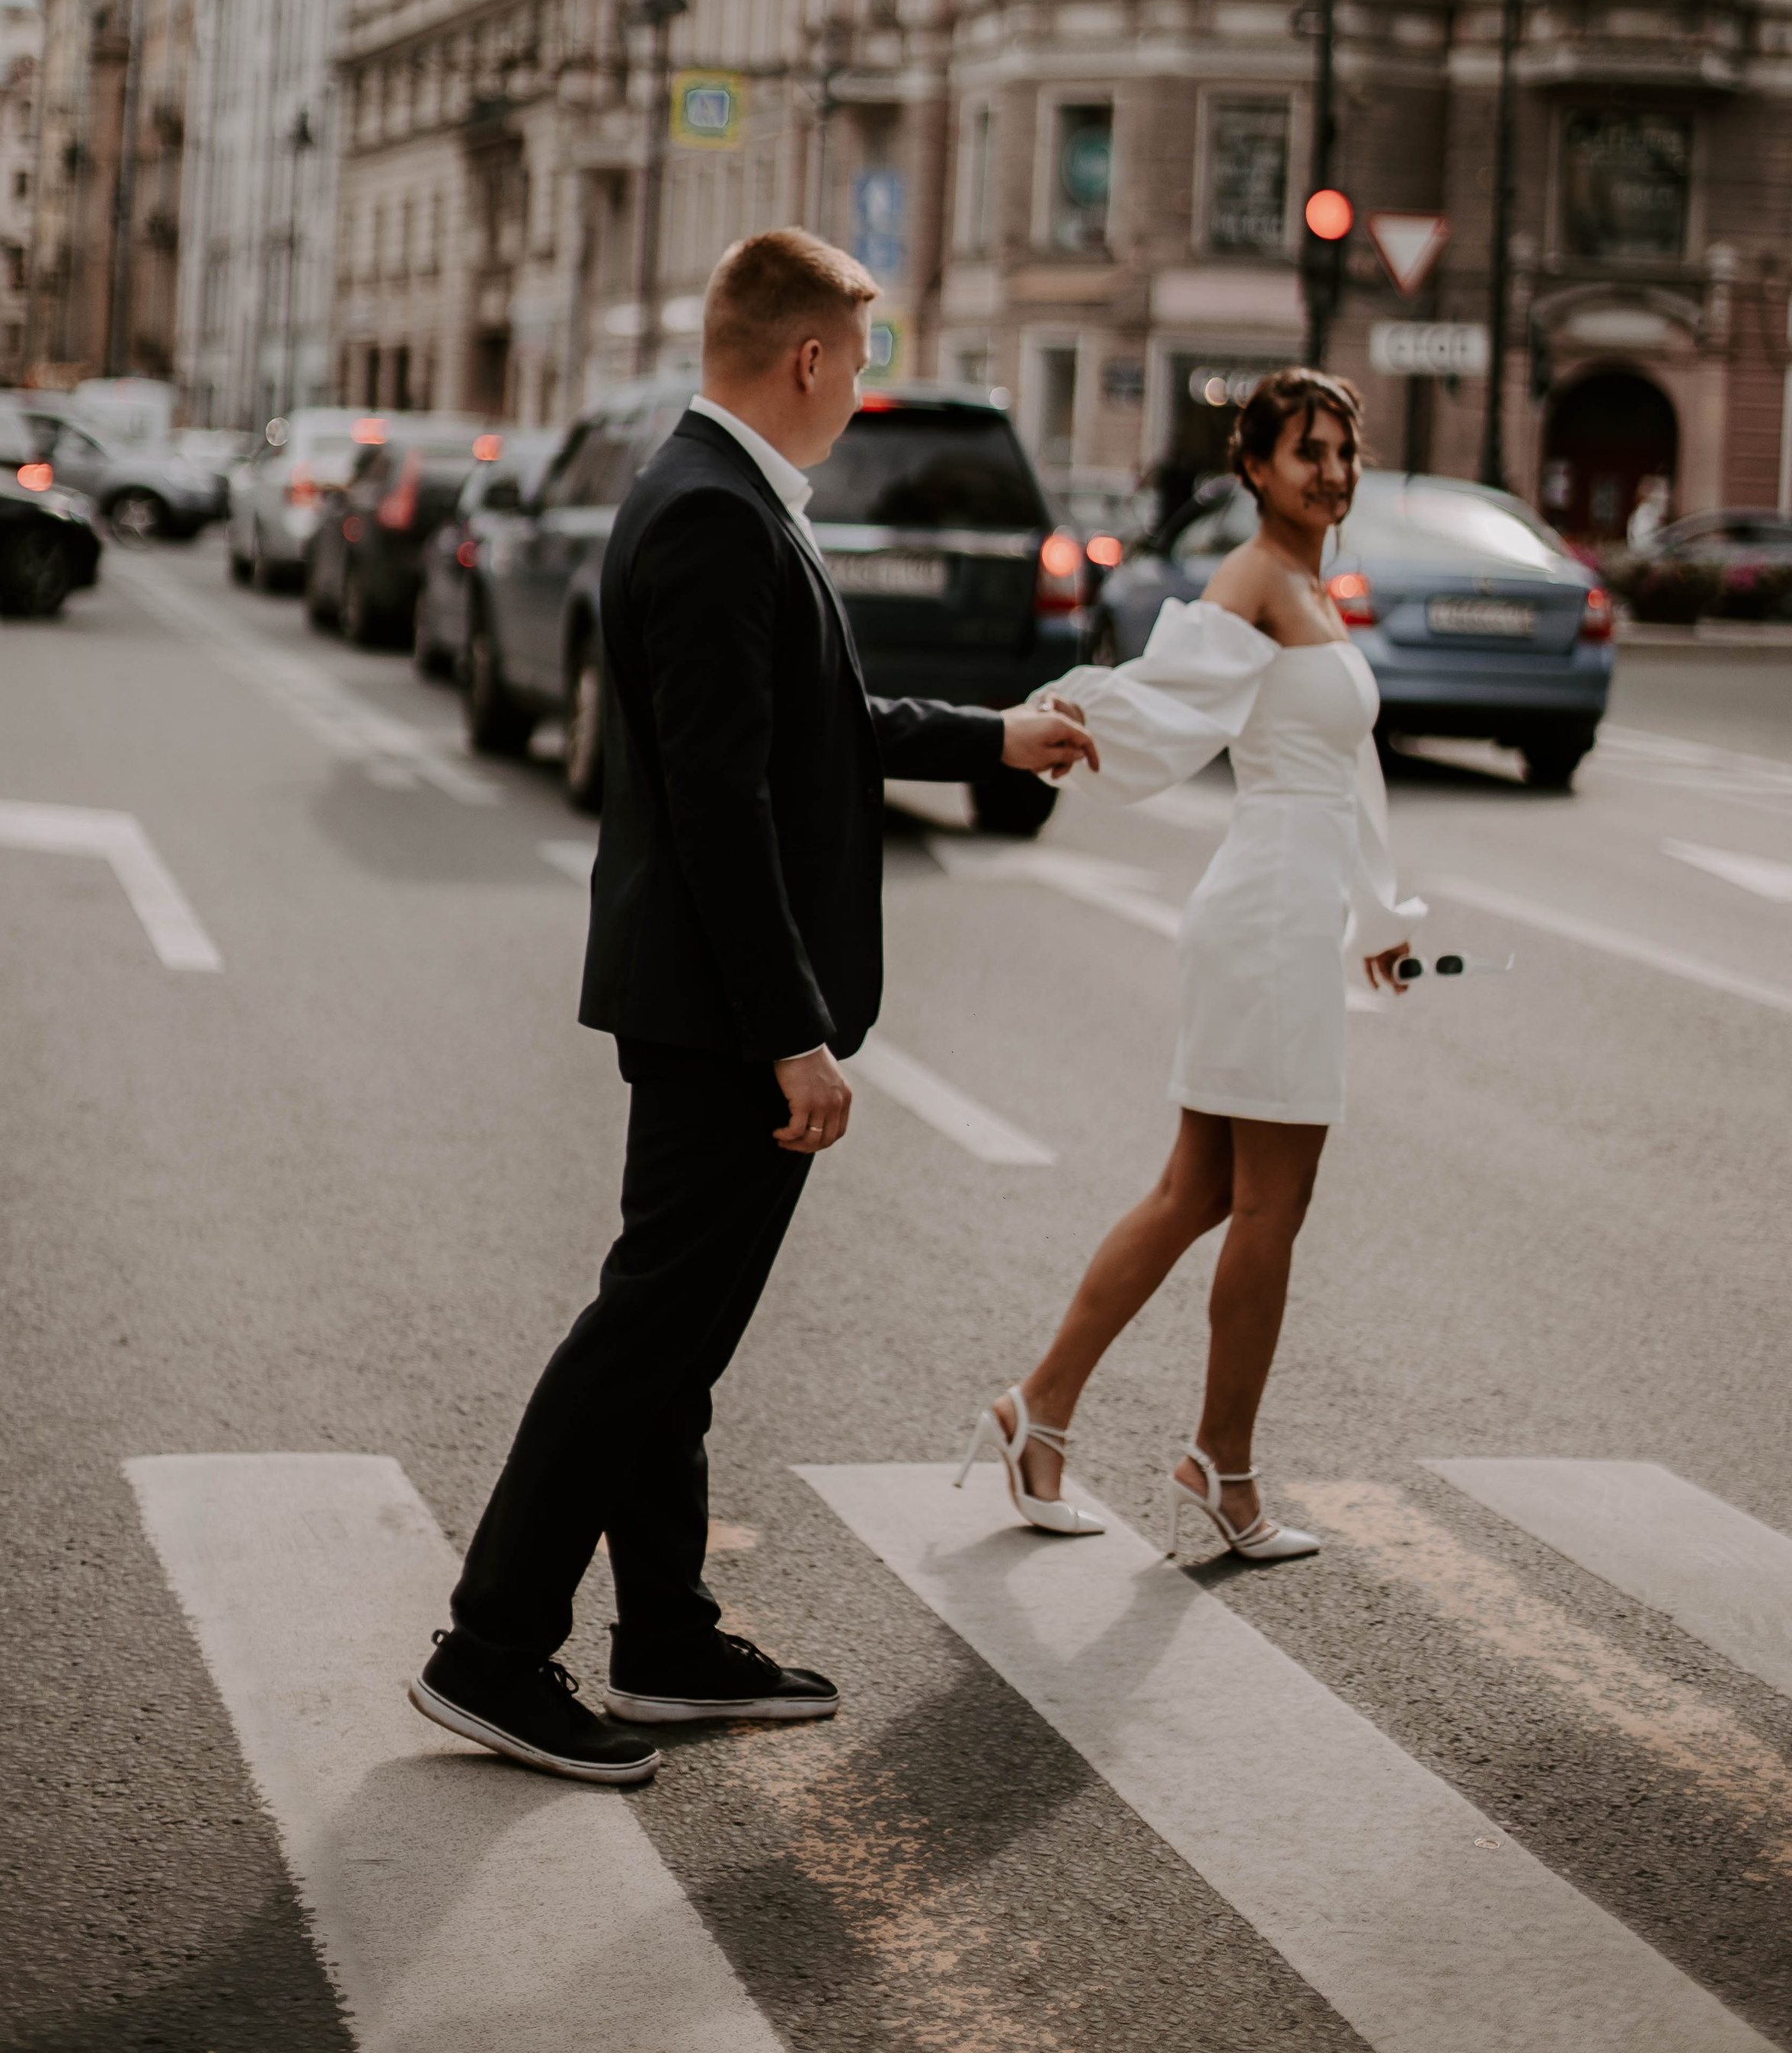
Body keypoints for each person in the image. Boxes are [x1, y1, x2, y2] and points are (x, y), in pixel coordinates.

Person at [414, 228, 1097, 1784]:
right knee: (644, 1333)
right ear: (805, 357)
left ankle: (663, 1636)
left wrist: (996, 737)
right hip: (722, 1013)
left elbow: (815, 725)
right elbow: (723, 805)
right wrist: (793, 1033)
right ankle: (490, 1648)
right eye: (857, 361)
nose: (859, 389)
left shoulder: (714, 493)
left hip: (703, 997)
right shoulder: (718, 514)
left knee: (675, 1340)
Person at [959, 367, 1422, 1563]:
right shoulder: (1256, 578)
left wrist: (1381, 915)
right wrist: (1065, 718)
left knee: (1200, 1193)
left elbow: (1346, 769)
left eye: (1344, 452)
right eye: (1308, 452)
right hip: (1270, 918)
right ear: (1256, 468)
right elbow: (1166, 698)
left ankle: (1040, 1410)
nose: (1332, 472)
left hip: (1288, 909)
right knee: (1268, 1204)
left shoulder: (1309, 586)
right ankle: (1223, 1467)